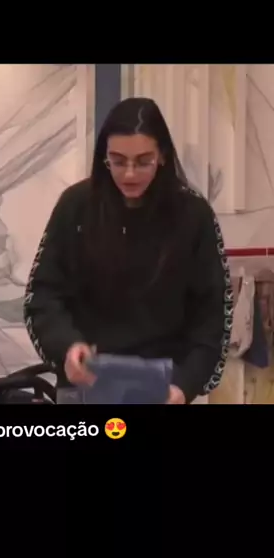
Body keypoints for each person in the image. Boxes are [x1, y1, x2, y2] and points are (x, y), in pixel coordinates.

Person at [24, 97, 232, 405]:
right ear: (103, 157)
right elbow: (43, 297)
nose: (129, 174)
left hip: (165, 387)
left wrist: (186, 384)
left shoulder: (193, 215)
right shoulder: (76, 207)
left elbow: (212, 316)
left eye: (143, 161)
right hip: (85, 384)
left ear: (162, 156)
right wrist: (67, 346)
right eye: (118, 161)